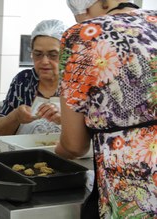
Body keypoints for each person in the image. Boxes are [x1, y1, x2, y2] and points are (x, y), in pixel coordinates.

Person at [55, 0, 157, 218]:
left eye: (80, 15)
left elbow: (74, 145)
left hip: (133, 190)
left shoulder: (81, 35)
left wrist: (57, 151)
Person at [0, 19, 67, 136]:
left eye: (53, 55)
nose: (44, 61)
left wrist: (65, 120)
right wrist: (15, 116)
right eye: (37, 54)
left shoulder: (78, 83)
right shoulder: (23, 81)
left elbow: (92, 133)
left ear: (66, 54)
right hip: (25, 152)